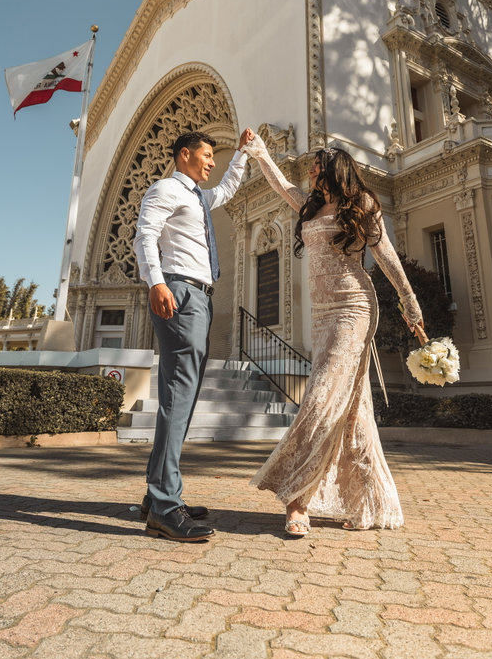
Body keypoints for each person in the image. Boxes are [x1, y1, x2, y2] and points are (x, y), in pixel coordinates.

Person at [241, 132, 424, 537]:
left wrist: (410, 303)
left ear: (332, 170)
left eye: (314, 166)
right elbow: (281, 184)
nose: (307, 172)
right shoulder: (309, 206)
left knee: (320, 396)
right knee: (354, 409)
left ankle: (297, 500)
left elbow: (386, 255)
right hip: (321, 316)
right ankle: (370, 502)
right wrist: (260, 153)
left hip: (354, 310)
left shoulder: (362, 206)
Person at [134, 127, 253, 541]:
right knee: (179, 396)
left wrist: (241, 154)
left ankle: (156, 495)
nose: (211, 162)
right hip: (179, 291)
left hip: (199, 296)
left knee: (183, 394)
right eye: (206, 155)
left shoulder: (199, 198)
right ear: (185, 155)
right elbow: (145, 235)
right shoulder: (165, 188)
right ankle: (166, 506)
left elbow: (228, 189)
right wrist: (156, 282)